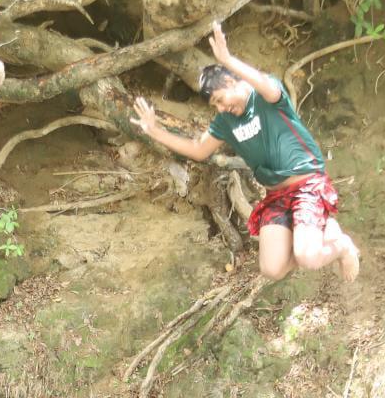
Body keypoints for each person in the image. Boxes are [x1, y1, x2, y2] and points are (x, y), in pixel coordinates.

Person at [131, 22, 360, 283]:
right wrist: (155, 131)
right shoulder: (225, 122)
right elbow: (198, 150)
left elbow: (266, 85)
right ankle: (317, 232)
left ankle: (342, 246)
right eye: (214, 104)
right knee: (272, 269)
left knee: (308, 258)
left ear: (230, 81)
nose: (220, 108)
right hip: (276, 195)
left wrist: (227, 59)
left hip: (305, 184)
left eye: (219, 99)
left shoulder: (266, 97)